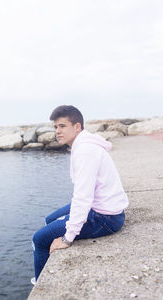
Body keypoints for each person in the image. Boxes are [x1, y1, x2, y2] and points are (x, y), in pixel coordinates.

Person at [31, 105, 129, 285]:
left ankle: (42, 284)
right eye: (55, 127)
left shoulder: (85, 151)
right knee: (49, 219)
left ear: (77, 127)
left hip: (105, 217)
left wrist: (68, 238)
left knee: (39, 238)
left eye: (62, 126)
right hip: (101, 207)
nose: (57, 131)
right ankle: (45, 267)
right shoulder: (83, 145)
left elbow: (83, 198)